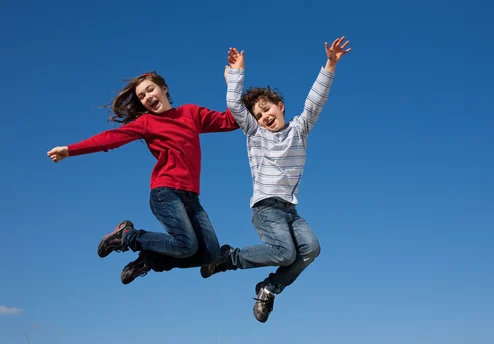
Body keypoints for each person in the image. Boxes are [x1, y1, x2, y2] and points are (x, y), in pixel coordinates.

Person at [200, 37, 351, 323]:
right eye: (257, 115)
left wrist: (330, 64)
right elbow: (234, 105)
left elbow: (315, 101)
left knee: (311, 249)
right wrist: (235, 74)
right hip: (266, 207)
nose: (263, 117)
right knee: (284, 252)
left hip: (290, 211)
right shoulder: (255, 134)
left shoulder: (299, 129)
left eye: (266, 109)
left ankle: (269, 288)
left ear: (280, 106)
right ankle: (228, 258)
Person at [47, 71, 240, 284]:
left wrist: (234, 81)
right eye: (141, 96)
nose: (147, 97)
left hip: (191, 197)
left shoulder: (190, 113)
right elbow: (110, 139)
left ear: (164, 89)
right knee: (186, 244)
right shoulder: (147, 122)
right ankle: (127, 236)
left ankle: (150, 260)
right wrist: (70, 150)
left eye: (150, 90)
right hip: (165, 192)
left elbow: (230, 121)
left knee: (211, 256)